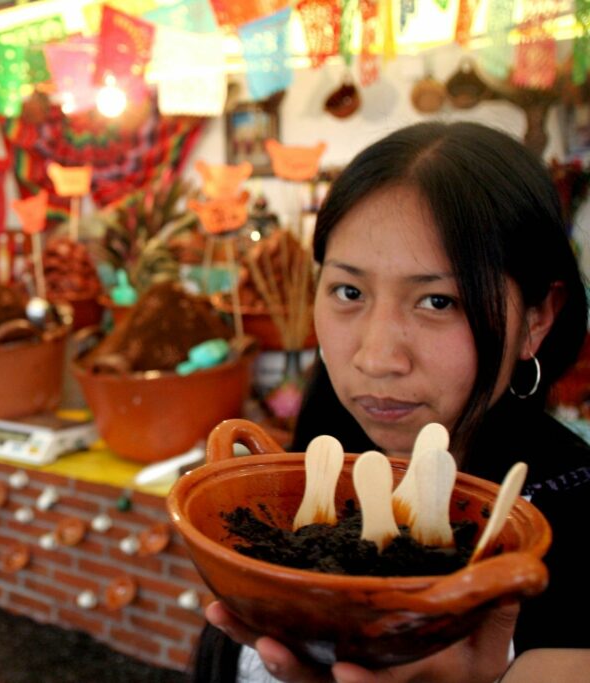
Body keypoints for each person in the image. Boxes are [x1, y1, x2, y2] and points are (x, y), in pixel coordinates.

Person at [192, 121, 590, 683]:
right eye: (349, 292)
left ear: (537, 318)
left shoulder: (572, 536)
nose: (376, 358)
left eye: (438, 300)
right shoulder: (312, 481)